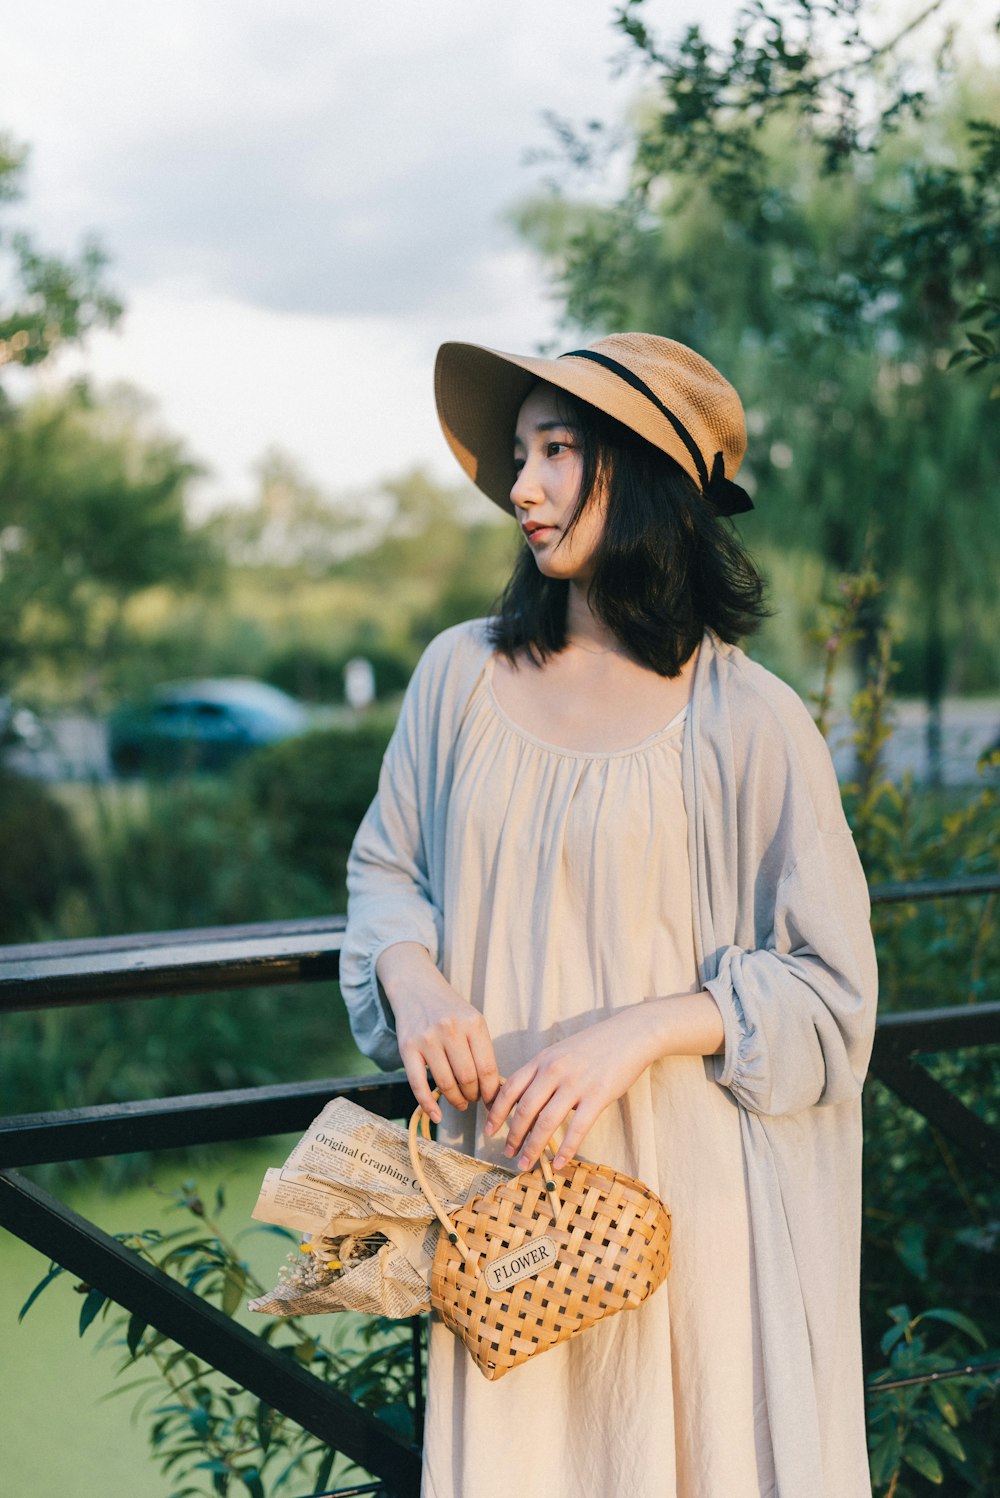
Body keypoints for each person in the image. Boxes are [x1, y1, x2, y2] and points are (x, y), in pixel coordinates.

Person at [340, 332, 878, 1498]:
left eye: (556, 450)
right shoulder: (457, 678)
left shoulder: (751, 719)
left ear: (635, 475)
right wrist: (410, 971)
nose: (520, 487)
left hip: (699, 1216)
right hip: (512, 1214)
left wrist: (637, 1028)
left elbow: (833, 995)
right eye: (519, 453)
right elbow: (385, 867)